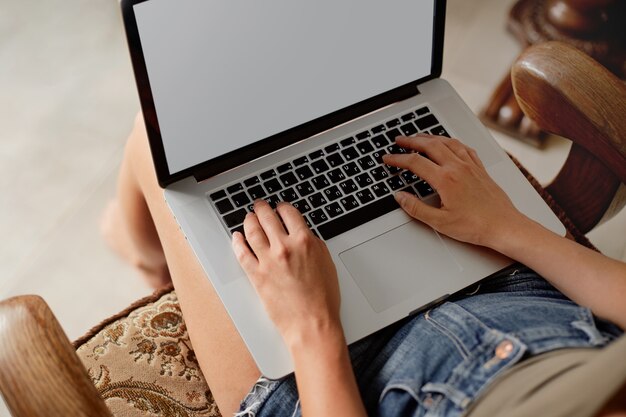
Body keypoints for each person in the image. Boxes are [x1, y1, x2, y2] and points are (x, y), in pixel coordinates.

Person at [102, 114, 626, 417]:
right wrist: (507, 227)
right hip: (522, 298)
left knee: (157, 140)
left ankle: (149, 262)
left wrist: (311, 326)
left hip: (329, 381)